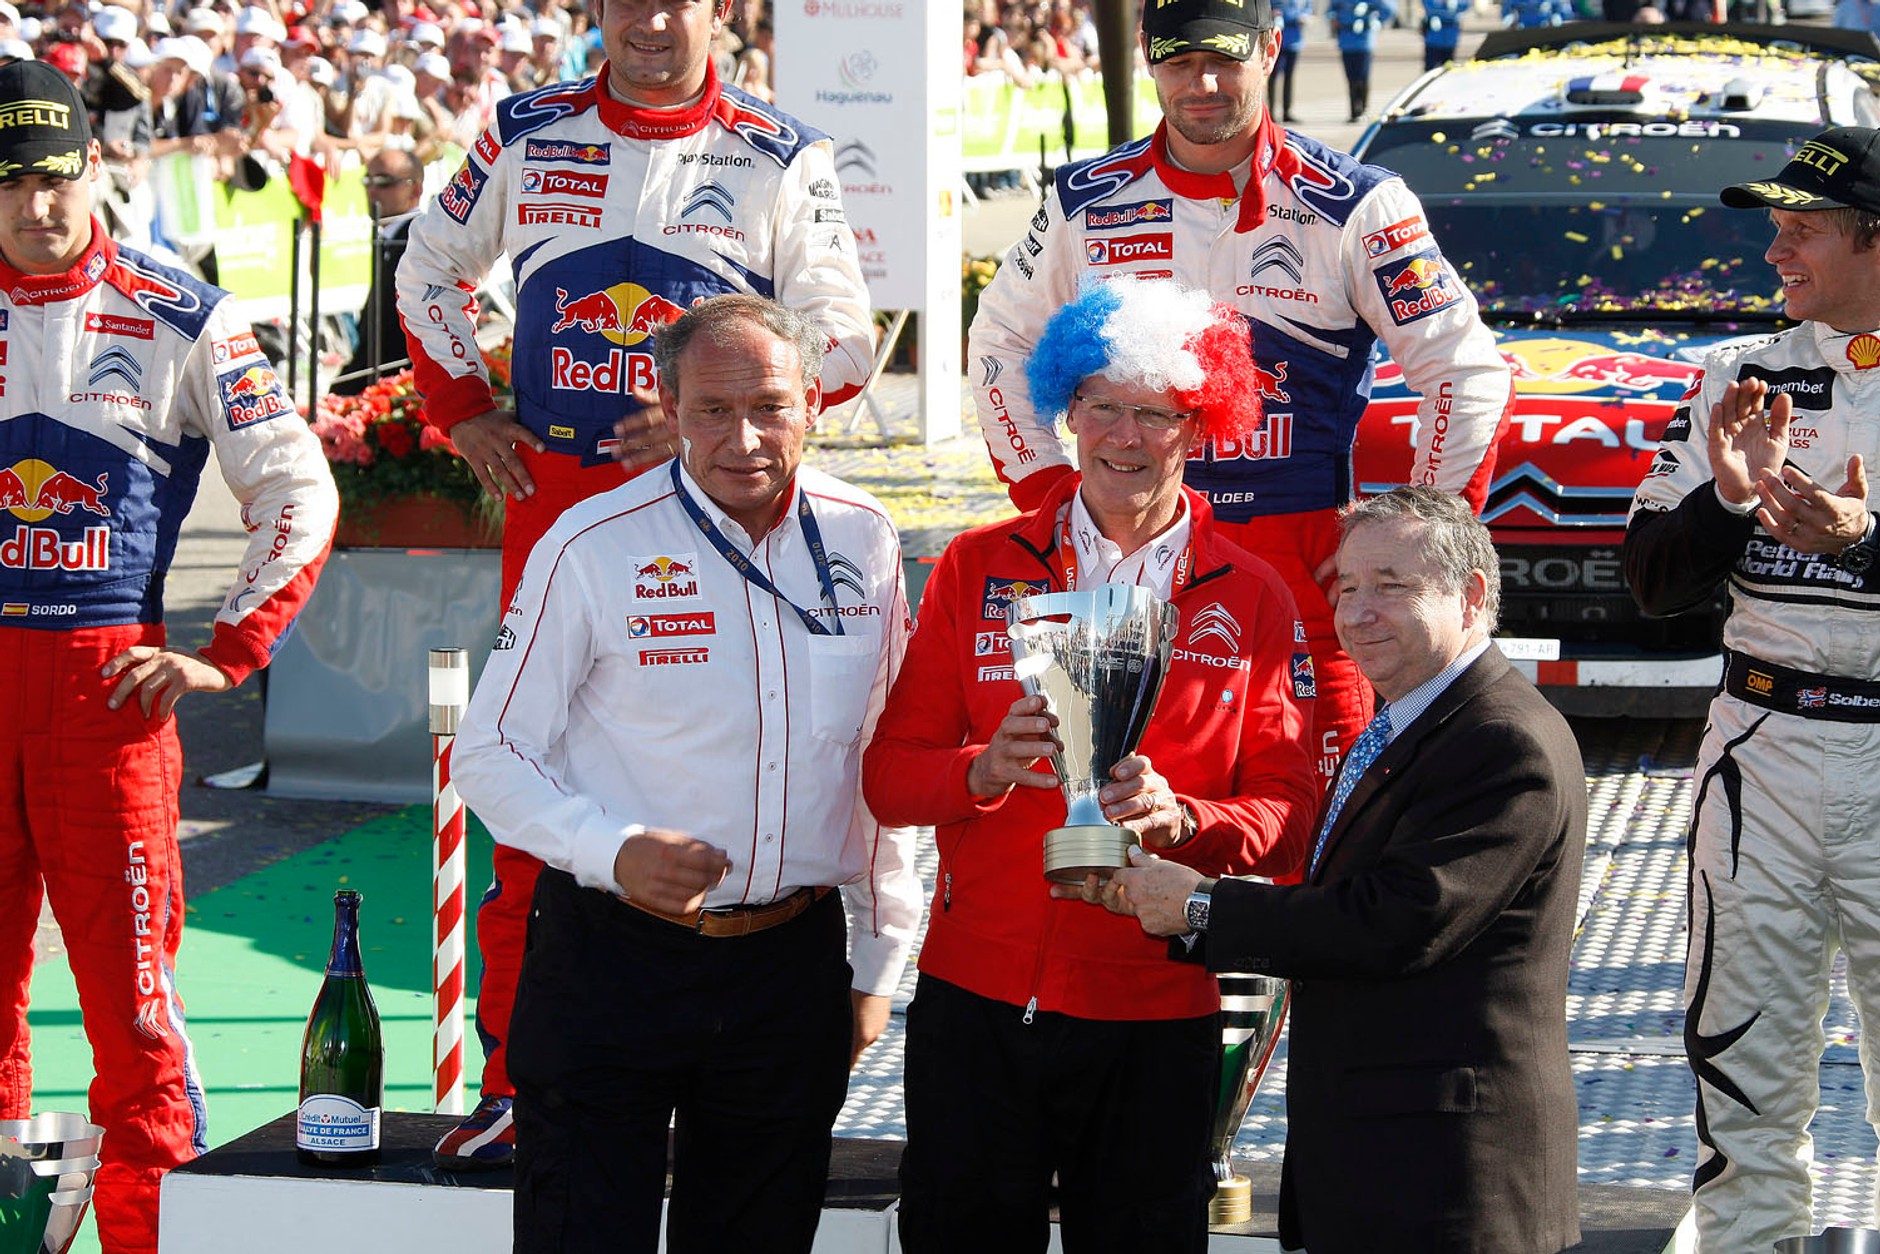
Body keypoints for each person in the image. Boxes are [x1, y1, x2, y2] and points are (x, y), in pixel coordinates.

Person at [396, 0, 875, 1169]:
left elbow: (845, 338)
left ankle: (720, 1073)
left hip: (720, 515)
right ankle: (519, 1077)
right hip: (558, 511)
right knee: (528, 793)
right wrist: (463, 409)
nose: (652, 20)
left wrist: (709, 417)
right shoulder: (526, 128)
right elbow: (426, 269)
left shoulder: (780, 150)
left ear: (719, 11)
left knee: (716, 770)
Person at [451, 294, 920, 1254]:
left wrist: (876, 962)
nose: (743, 438)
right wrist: (612, 850)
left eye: (771, 407)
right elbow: (488, 751)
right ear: (667, 406)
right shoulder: (589, 544)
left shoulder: (866, 536)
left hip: (787, 970)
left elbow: (882, 761)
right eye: (712, 410)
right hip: (611, 959)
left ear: (815, 406)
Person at [865, 279, 1319, 1253]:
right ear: (1065, 410)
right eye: (1102, 404)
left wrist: (1183, 819)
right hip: (975, 1009)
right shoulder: (976, 567)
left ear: (1194, 425)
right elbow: (889, 777)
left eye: (1153, 411)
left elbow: (1288, 815)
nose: (1124, 434)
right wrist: (980, 772)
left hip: (1153, 1015)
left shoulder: (1251, 595)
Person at [967, 0, 1511, 801]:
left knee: (1313, 830)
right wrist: (1049, 491)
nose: (1205, 84)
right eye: (1181, 62)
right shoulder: (1086, 199)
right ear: (1147, 57)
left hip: (1298, 564)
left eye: (1226, 59)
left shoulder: (1358, 202)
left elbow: (1464, 370)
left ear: (1272, 49)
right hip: (1125, 563)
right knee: (1125, 810)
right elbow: (998, 346)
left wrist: (1411, 537)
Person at [0, 60, 337, 1254]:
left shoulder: (179, 309)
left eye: (56, 176)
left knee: (133, 1015)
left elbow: (297, 483)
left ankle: (146, 1237)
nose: (37, 204)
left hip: (108, 691)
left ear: (95, 167)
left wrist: (230, 648)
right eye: (10, 183)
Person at [1087, 486, 1585, 1254]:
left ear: (1472, 594)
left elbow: (1395, 922)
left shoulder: (1500, 740)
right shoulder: (1410, 720)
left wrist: (1199, 909)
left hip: (1450, 1185)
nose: (1356, 611)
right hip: (1382, 1168)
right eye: (1347, 587)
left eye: (1392, 586)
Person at [1623, 125, 1880, 1252]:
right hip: (1758, 750)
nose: (1775, 251)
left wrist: (1862, 545)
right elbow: (1648, 585)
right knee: (1740, 1090)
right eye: (1771, 227)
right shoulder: (1738, 373)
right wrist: (1723, 502)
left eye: (1802, 229)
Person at [333, 147, 423, 395]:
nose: (372, 191)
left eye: (384, 182)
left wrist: (344, 391)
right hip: (381, 377)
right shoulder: (392, 235)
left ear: (414, 189)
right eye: (367, 181)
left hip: (399, 380)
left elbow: (392, 333)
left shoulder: (418, 239)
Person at [1325, 0, 1392, 122]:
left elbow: (1388, 10)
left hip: (1364, 41)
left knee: (1362, 77)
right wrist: (1334, 19)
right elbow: (1330, 11)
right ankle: (1353, 111)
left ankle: (1363, 109)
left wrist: (1376, 21)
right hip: (1346, 40)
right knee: (1351, 78)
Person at [1268, 0, 1309, 124]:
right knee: (1274, 76)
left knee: (1289, 77)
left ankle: (1287, 111)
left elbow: (1308, 9)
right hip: (1276, 40)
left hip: (1294, 40)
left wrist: (1304, 17)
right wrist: (1272, 14)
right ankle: (1271, 112)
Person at [1422, 0, 1466, 72]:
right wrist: (1443, 4)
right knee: (1430, 69)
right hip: (1434, 38)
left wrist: (1454, 4)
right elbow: (1429, 6)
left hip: (1451, 37)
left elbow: (1464, 5)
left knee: (1448, 68)